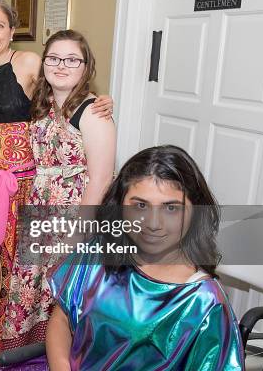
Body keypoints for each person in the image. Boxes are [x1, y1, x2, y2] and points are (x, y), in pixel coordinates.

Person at [0, 0, 113, 371]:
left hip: (22, 187)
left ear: (13, 30)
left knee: (18, 278)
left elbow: (67, 83)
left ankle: (24, 355)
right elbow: (48, 105)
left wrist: (101, 99)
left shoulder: (29, 62)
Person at [45, 145, 244, 370]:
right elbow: (61, 320)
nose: (153, 224)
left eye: (171, 208)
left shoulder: (205, 302)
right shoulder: (99, 252)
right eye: (140, 205)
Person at [1, 30, 116, 349]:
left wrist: (76, 237)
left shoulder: (94, 113)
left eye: (71, 59)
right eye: (53, 58)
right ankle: (31, 354)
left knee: (66, 292)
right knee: (33, 285)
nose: (61, 65)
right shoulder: (42, 102)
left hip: (74, 211)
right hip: (41, 206)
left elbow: (101, 180)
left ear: (86, 66)